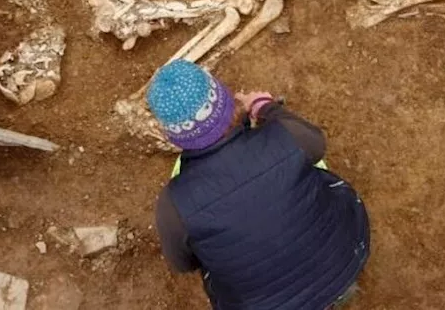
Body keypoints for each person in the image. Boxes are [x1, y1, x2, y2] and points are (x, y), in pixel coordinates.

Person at [148, 59, 370, 309]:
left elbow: (183, 264)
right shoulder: (285, 136)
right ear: (225, 100)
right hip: (344, 262)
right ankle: (341, 296)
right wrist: (265, 107)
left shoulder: (173, 204)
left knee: (211, 261)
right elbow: (317, 143)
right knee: (314, 169)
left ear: (172, 135)